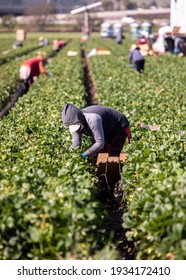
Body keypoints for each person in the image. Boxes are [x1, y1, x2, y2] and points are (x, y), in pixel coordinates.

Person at [62, 103, 131, 158]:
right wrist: (69, 154)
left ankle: (112, 173)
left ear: (79, 119)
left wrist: (85, 154)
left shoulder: (93, 119)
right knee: (100, 153)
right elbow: (76, 143)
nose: (77, 129)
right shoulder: (74, 122)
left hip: (118, 126)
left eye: (77, 125)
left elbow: (100, 143)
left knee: (112, 155)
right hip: (105, 128)